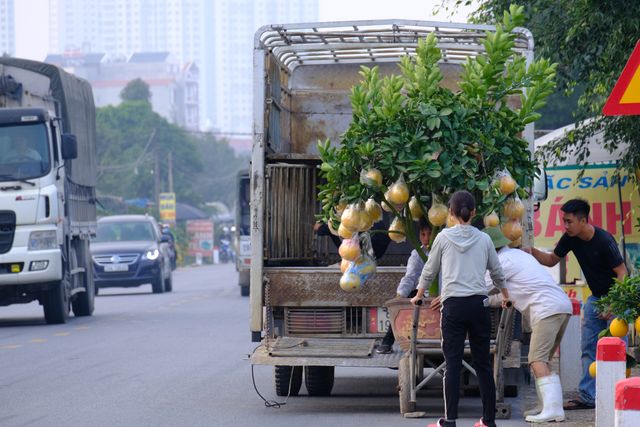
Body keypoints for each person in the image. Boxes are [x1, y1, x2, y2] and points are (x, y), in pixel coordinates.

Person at [410, 190, 510, 427]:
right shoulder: (485, 239)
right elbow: (497, 273)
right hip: (478, 306)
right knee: (483, 363)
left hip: (453, 307)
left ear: (451, 214)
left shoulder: (443, 238)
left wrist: (419, 295)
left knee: (452, 364)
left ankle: (449, 420)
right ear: (474, 213)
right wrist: (506, 296)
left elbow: (430, 269)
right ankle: (488, 420)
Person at [523, 198, 627, 410]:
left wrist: (613, 306)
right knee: (589, 348)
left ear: (582, 220)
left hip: (616, 300)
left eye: (569, 221)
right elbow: (552, 260)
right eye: (564, 221)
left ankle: (620, 396)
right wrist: (531, 252)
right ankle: (588, 397)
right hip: (596, 299)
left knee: (617, 351)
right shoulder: (570, 238)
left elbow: (622, 273)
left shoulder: (605, 241)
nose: (565, 226)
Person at [483, 226, 571, 423]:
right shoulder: (517, 256)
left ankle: (553, 410)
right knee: (543, 360)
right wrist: (486, 302)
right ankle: (548, 406)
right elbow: (506, 296)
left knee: (536, 360)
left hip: (546, 309)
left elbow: (481, 287)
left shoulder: (501, 262)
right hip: (561, 306)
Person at [376, 217, 432, 354]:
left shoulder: (446, 252)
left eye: (430, 234)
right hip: (422, 294)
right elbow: (410, 277)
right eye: (423, 234)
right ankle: (388, 341)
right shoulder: (417, 254)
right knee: (405, 302)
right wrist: (400, 296)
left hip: (443, 295)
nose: (426, 239)